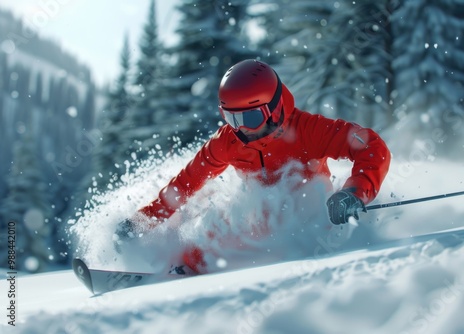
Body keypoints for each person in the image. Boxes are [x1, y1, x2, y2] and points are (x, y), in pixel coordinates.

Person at [116, 59, 391, 274]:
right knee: (207, 239)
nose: (241, 129)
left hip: (312, 217)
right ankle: (182, 274)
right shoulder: (227, 142)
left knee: (284, 228)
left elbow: (372, 147)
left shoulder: (308, 130)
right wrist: (144, 219)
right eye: (231, 119)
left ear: (272, 107)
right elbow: (185, 184)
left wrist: (354, 192)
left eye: (250, 117)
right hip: (257, 218)